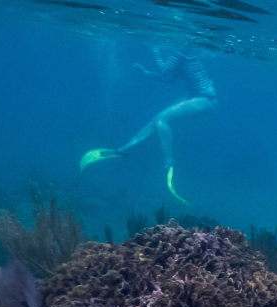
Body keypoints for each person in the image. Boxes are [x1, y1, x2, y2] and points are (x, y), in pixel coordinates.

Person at [79, 47, 218, 204]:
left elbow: (165, 71)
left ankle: (169, 162)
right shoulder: (180, 49)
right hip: (196, 97)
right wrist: (146, 73)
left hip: (205, 99)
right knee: (156, 119)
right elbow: (170, 79)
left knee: (162, 120)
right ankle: (123, 150)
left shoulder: (179, 48)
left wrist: (156, 50)